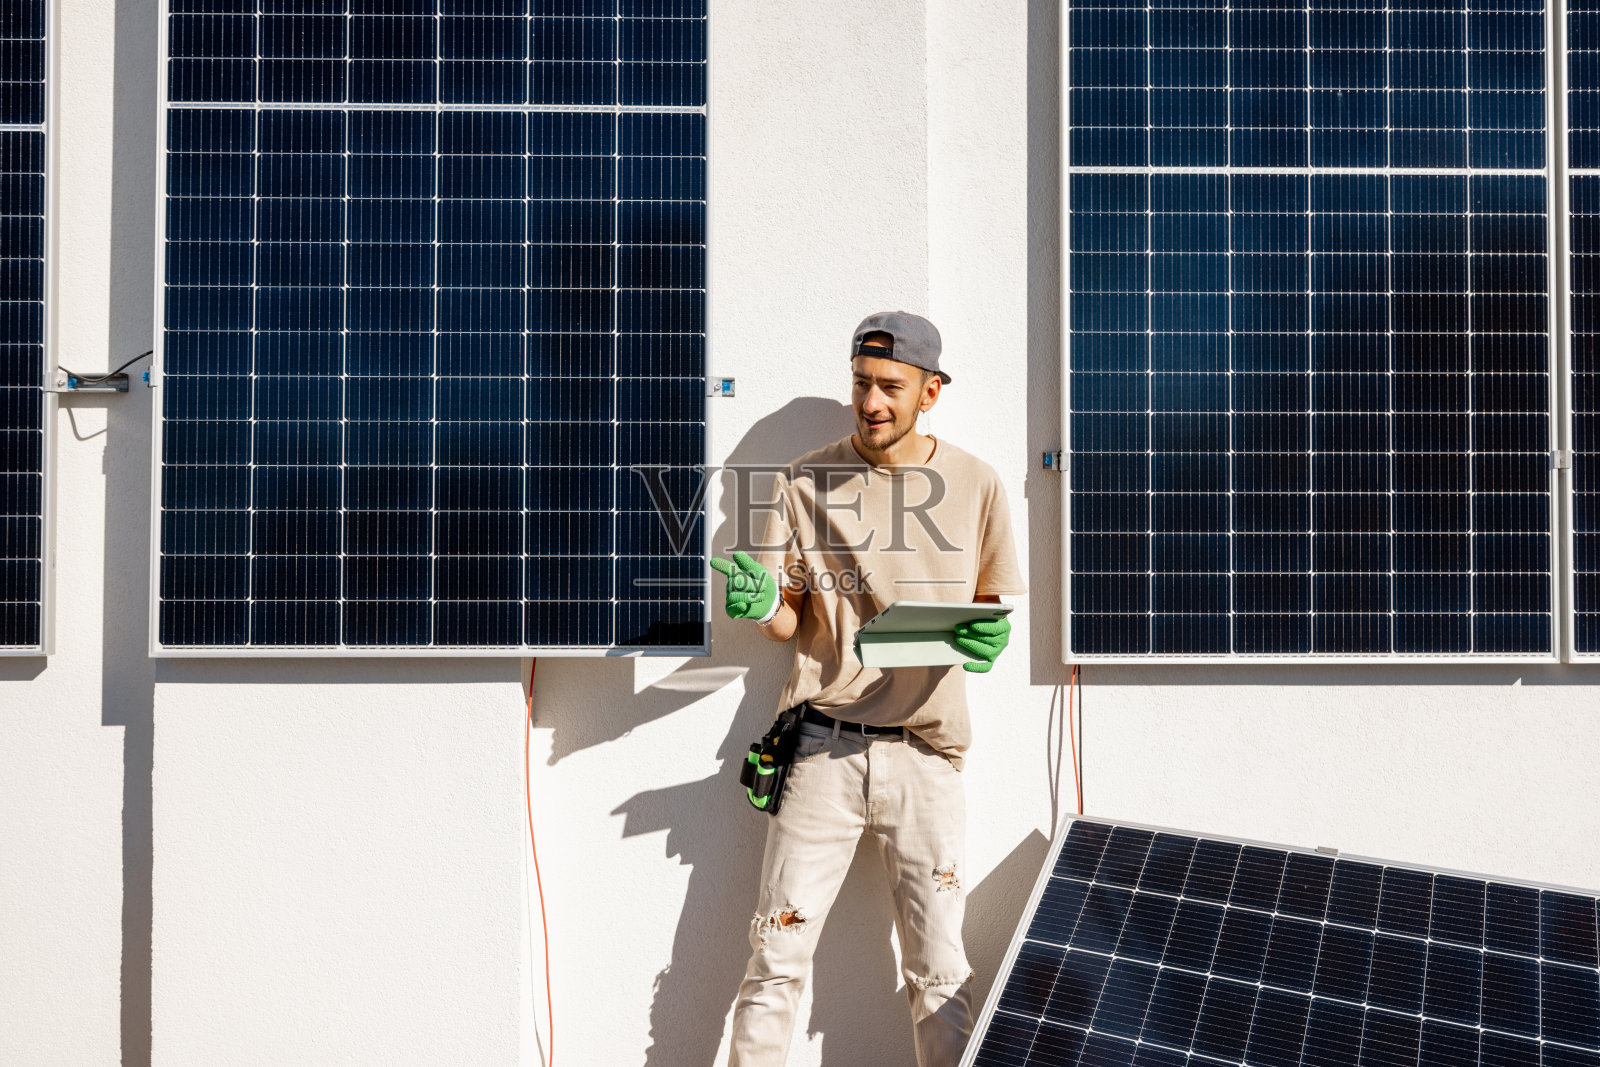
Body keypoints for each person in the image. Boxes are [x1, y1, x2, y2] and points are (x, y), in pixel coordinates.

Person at [710, 311, 1026, 1066]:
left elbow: (987, 607)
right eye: (860, 384)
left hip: (927, 752)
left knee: (941, 970)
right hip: (822, 748)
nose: (872, 401)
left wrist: (988, 636)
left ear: (931, 392)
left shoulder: (977, 483)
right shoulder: (803, 479)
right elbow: (788, 622)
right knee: (775, 960)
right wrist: (763, 607)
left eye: (891, 386)